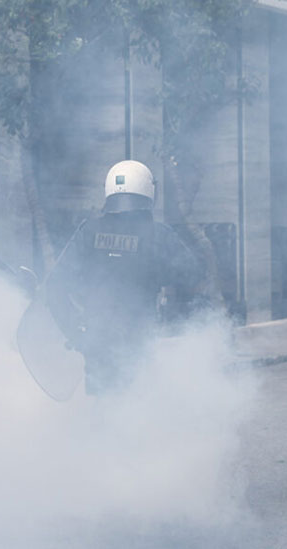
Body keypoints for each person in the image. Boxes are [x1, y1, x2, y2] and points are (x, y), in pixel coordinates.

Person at [44, 160, 207, 393]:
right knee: (135, 411)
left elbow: (55, 286)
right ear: (148, 191)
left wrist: (75, 334)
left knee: (102, 408)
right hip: (139, 341)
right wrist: (158, 274)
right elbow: (193, 275)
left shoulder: (88, 232)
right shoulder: (158, 235)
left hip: (96, 343)